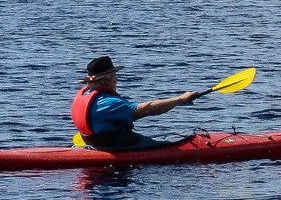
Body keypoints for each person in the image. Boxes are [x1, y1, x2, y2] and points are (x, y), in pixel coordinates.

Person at [71, 55, 204, 150]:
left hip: (94, 143)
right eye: (115, 76)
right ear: (107, 79)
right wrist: (180, 99)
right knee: (168, 144)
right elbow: (148, 109)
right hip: (115, 147)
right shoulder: (108, 103)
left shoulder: (84, 95)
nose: (116, 80)